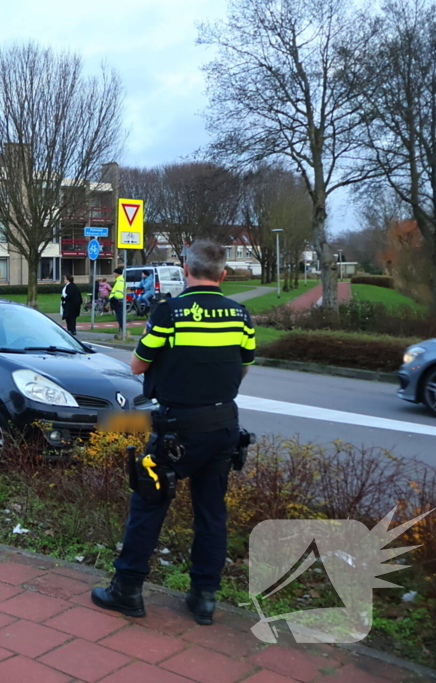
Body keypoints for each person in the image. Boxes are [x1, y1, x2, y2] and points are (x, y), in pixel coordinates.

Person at [91, 240, 255, 626]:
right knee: (212, 513)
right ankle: (204, 598)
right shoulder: (240, 314)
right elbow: (244, 367)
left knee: (148, 503)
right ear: (223, 274)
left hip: (176, 430)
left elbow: (136, 365)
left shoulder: (170, 312)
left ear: (186, 270)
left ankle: (127, 590)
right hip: (223, 426)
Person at [109, 267, 126, 339]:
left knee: (120, 318)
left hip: (118, 302)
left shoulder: (120, 282)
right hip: (118, 302)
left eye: (114, 273)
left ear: (117, 273)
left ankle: (122, 333)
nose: (113, 274)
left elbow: (118, 293)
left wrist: (113, 299)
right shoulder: (120, 280)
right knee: (120, 317)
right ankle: (121, 333)